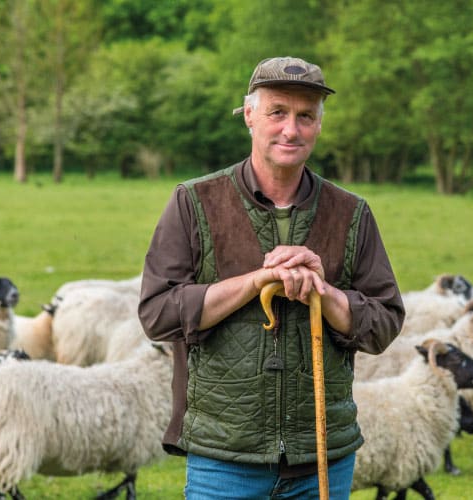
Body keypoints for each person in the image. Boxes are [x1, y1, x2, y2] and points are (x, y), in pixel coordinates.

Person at [138, 56, 405, 499]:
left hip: (322, 456)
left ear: (319, 125)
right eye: (277, 112)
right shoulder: (194, 202)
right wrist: (256, 282)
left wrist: (324, 292)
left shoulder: (350, 212)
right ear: (249, 115)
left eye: (305, 116)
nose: (291, 129)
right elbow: (158, 314)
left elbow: (384, 325)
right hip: (224, 459)